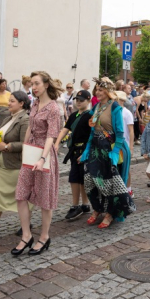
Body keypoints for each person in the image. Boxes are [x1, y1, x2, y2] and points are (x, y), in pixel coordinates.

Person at [12, 71, 63, 256]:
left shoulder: (53, 109)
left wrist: (42, 158)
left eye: (36, 83)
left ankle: (44, 236)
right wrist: (25, 150)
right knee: (20, 194)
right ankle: (26, 235)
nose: (33, 87)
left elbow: (51, 135)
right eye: (32, 84)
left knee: (44, 199)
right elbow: (30, 129)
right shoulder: (34, 103)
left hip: (45, 153)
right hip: (32, 150)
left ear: (46, 85)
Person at [81, 78, 136, 228]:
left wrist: (115, 152)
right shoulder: (97, 107)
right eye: (96, 90)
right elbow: (92, 130)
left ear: (107, 91)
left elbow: (119, 133)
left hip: (110, 148)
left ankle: (111, 213)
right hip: (96, 147)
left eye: (100, 90)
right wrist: (87, 149)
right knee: (90, 180)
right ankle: (98, 209)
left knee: (111, 183)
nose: (97, 92)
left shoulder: (115, 107)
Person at [0, 91, 30, 228]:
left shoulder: (25, 120)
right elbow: (0, 134)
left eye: (12, 101)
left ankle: (25, 226)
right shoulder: (8, 118)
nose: (8, 103)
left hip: (13, 167)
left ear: (21, 103)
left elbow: (26, 144)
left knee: (21, 200)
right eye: (9, 100)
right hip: (0, 165)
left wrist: (7, 146)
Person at [54, 90, 92, 220]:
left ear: (88, 101)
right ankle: (81, 204)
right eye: (77, 100)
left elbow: (93, 136)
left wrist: (87, 153)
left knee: (80, 178)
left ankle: (79, 205)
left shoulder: (91, 116)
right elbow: (65, 129)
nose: (79, 102)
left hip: (84, 150)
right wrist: (57, 143)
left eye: (82, 100)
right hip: (74, 151)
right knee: (76, 178)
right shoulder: (74, 115)